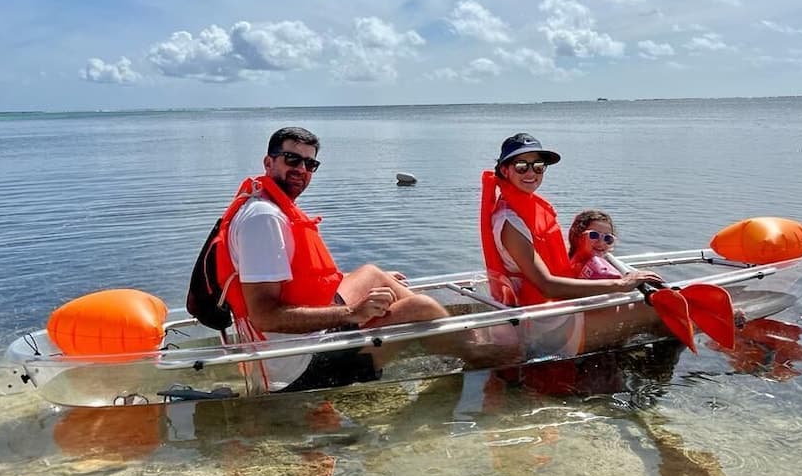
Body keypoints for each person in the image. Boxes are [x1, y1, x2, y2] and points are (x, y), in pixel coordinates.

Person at [216, 126, 481, 395]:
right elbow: (263, 316)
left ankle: (461, 341)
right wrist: (353, 313)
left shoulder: (264, 202)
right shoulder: (264, 218)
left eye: (310, 163)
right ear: (268, 162)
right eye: (292, 159)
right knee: (421, 307)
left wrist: (363, 297)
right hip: (296, 366)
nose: (301, 169)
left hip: (300, 341)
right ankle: (483, 356)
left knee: (372, 274)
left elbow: (302, 280)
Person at [479, 132, 667, 357]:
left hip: (553, 312)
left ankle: (620, 361)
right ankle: (657, 381)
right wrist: (623, 284)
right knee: (658, 310)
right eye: (521, 166)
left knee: (635, 304)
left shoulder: (526, 206)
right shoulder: (510, 221)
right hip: (546, 325)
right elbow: (547, 285)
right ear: (504, 170)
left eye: (538, 166)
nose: (531, 172)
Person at [568, 209, 622, 280]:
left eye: (608, 238)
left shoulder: (606, 265)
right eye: (594, 235)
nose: (601, 242)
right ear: (577, 236)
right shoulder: (569, 268)